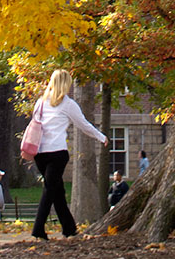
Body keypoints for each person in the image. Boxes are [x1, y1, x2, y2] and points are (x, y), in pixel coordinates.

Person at [21, 69, 108, 240]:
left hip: (40, 153)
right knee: (50, 191)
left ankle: (69, 229)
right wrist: (101, 136)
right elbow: (83, 125)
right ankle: (38, 229)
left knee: (57, 192)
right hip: (57, 153)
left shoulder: (40, 103)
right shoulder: (68, 104)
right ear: (66, 84)